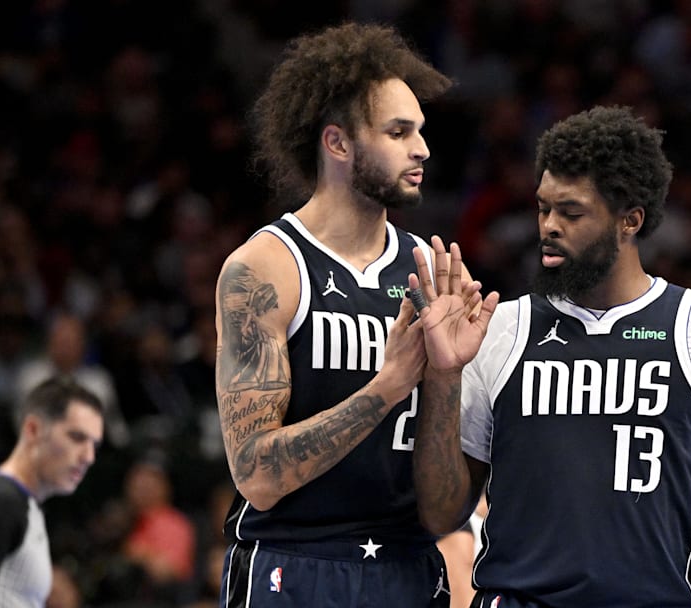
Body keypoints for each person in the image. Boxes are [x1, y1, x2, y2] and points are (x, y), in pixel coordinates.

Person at [413, 105, 691, 606]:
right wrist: (444, 376)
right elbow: (441, 514)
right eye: (543, 208)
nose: (549, 226)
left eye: (571, 212)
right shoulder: (500, 329)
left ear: (630, 220)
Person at [213, 22, 496, 607]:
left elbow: (446, 503)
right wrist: (387, 387)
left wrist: (447, 375)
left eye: (420, 131)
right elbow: (257, 477)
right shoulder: (266, 267)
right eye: (398, 132)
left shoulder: (431, 271)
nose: (421, 149)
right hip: (293, 566)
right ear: (338, 144)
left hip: (409, 566)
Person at [0, 377, 104, 607]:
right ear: (33, 430)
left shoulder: (22, 505)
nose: (89, 457)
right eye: (77, 437)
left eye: (95, 445)